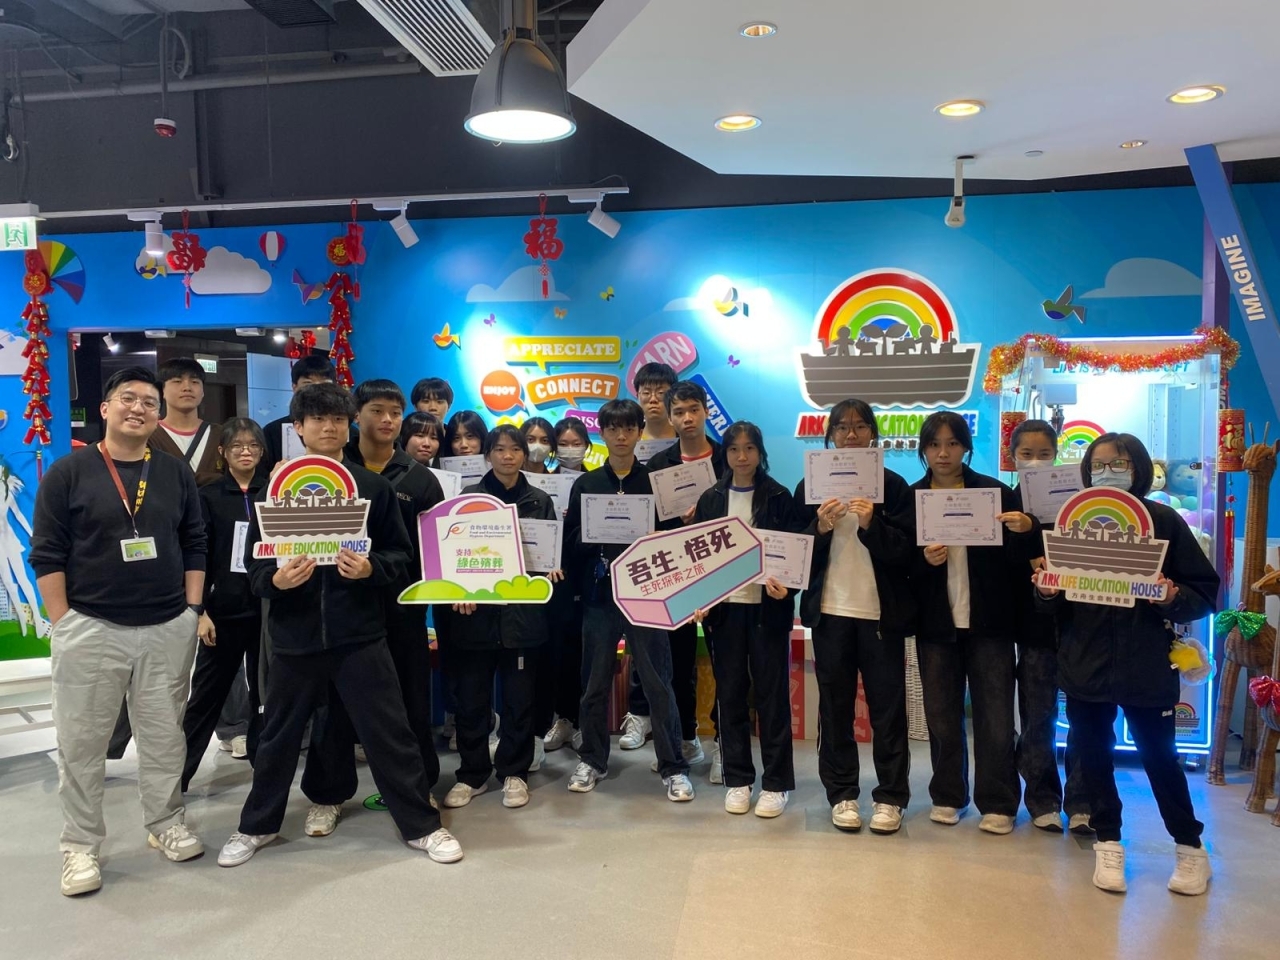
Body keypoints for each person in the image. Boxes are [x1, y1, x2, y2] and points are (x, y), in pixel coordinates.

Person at [219, 382, 461, 867]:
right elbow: (255, 568)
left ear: (348, 425)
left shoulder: (372, 487)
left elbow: (400, 554)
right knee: (278, 735)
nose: (328, 428)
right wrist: (278, 581)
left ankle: (421, 825)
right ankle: (256, 825)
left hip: (360, 633)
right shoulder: (275, 489)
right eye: (317, 419)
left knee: (389, 732)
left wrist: (372, 568)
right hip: (294, 636)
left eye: (336, 419)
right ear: (299, 427)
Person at [31, 366, 208, 897]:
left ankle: (165, 822)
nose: (139, 408)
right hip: (91, 626)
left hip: (166, 626)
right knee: (82, 743)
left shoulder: (173, 473)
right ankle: (80, 845)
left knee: (164, 737)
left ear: (158, 416)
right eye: (128, 398)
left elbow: (195, 541)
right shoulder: (69, 472)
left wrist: (191, 609)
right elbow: (47, 552)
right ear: (105, 408)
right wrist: (64, 621)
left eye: (149, 402)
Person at [1037, 433, 1218, 895]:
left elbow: (1203, 593)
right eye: (1098, 464)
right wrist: (1046, 592)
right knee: (1093, 755)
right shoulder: (1071, 522)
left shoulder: (1164, 521)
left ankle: (1190, 847)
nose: (1108, 472)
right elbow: (1051, 604)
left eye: (1118, 464)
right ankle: (1108, 842)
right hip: (1085, 662)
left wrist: (1172, 596)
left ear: (1138, 469)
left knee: (1160, 757)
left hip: (1147, 664)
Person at [297, 380, 447, 837]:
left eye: (395, 413)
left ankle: (419, 787)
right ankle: (328, 794)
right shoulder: (325, 469)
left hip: (401, 610)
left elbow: (434, 550)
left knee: (409, 704)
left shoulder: (420, 478)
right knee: (333, 707)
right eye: (377, 411)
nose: (387, 420)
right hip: (343, 609)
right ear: (356, 416)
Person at [910, 411, 1037, 835]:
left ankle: (998, 801)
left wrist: (1024, 531)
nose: (943, 453)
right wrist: (923, 560)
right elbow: (898, 564)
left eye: (952, 443)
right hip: (936, 626)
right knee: (942, 717)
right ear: (924, 450)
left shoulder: (995, 494)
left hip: (991, 624)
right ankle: (948, 794)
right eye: (934, 445)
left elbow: (1020, 563)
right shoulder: (913, 498)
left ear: (965, 447)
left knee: (995, 717)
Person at [562, 399, 693, 800]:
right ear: (602, 433)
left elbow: (673, 539)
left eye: (628, 428)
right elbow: (570, 543)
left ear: (639, 432)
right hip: (600, 596)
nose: (621, 436)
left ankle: (673, 766)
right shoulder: (586, 485)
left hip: (647, 596)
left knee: (658, 682)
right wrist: (597, 532)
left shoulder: (654, 481)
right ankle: (592, 759)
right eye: (613, 429)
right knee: (594, 684)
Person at [795, 399, 915, 834]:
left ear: (873, 434)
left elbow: (906, 553)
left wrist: (871, 526)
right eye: (842, 427)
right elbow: (796, 554)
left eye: (860, 426)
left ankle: (890, 798)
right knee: (834, 708)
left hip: (880, 615)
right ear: (829, 435)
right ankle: (842, 793)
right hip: (831, 613)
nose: (851, 434)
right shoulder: (811, 485)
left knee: (888, 710)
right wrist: (819, 529)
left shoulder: (893, 486)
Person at [443, 425, 560, 810]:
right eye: (499, 449)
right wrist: (460, 589)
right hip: (475, 617)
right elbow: (454, 556)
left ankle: (514, 772)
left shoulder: (539, 500)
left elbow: (546, 555)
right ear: (488, 455)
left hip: (521, 618)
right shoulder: (468, 499)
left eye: (515, 449)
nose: (507, 456)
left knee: (519, 701)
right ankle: (472, 774)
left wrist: (551, 569)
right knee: (472, 701)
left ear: (524, 454)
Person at [692, 421, 798, 818]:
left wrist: (788, 588)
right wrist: (698, 600)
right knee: (730, 695)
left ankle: (776, 783)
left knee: (772, 698)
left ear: (760, 453)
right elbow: (697, 558)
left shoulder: (779, 496)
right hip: (725, 612)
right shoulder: (711, 498)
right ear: (725, 454)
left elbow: (795, 554)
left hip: (767, 610)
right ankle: (738, 779)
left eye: (749, 448)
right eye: (734, 449)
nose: (742, 456)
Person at [626, 380, 725, 779]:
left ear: (705, 412)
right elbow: (650, 520)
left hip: (721, 575)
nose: (687, 418)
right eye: (679, 412)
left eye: (693, 410)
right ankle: (686, 737)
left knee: (726, 664)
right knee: (678, 662)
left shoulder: (727, 457)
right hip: (677, 577)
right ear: (670, 417)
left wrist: (705, 514)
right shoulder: (658, 464)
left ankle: (726, 745)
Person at [1008, 419, 1090, 834]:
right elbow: (1003, 562)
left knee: (1085, 717)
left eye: (1044, 454)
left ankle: (1083, 801)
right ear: (1013, 457)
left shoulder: (1081, 500)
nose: (1036, 462)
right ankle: (1042, 799)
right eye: (1027, 454)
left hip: (1081, 626)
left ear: (1057, 456)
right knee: (1038, 717)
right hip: (1033, 629)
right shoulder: (1006, 500)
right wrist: (1027, 537)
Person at [181, 418, 267, 791]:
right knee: (206, 696)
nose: (245, 452)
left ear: (262, 451)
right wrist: (200, 611)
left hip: (267, 610)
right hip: (223, 612)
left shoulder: (274, 492)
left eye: (253, 445)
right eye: (237, 446)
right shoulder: (209, 495)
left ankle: (266, 773)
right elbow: (197, 554)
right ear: (223, 452)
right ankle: (175, 782)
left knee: (266, 697)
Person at [438, 410, 490, 746]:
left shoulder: (495, 476)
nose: (464, 444)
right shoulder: (438, 476)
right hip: (448, 571)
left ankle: (482, 719)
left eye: (471, 436)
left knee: (481, 656)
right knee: (451, 648)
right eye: (456, 438)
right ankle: (455, 715)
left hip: (486, 570)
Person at [538, 417, 590, 750]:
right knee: (557, 649)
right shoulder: (541, 482)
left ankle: (584, 721)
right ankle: (563, 718)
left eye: (577, 443)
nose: (570, 450)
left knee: (585, 651)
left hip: (587, 575)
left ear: (587, 446)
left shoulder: (594, 481)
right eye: (564, 444)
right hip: (553, 577)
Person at [149, 357, 223, 484]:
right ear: (162, 391)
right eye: (177, 381)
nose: (187, 387)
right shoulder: (149, 435)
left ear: (203, 391)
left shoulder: (221, 434)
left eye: (194, 382)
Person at [263, 355, 337, 468]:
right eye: (308, 384)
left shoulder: (345, 430)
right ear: (294, 387)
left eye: (325, 384)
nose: (317, 391)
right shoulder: (271, 432)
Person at [633, 361, 677, 441]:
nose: (653, 399)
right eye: (646, 393)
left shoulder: (686, 436)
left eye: (661, 393)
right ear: (637, 396)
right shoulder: (630, 439)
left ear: (673, 396)